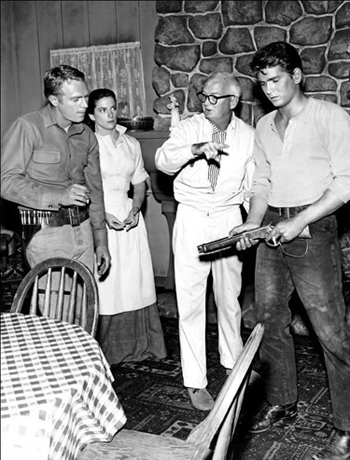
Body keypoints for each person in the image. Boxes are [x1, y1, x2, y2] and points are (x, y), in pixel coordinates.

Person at [229, 42, 350, 460]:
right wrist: (252, 222)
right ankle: (282, 402)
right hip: (271, 229)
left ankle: (347, 427)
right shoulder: (263, 126)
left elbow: (345, 183)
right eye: (262, 83)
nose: (269, 89)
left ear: (297, 76)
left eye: (276, 79)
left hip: (312, 226)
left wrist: (299, 221)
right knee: (268, 319)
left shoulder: (331, 117)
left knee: (329, 330)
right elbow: (260, 184)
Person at [155, 71, 256, 411]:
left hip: (228, 218)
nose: (207, 103)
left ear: (234, 101)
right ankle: (195, 382)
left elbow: (251, 186)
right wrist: (196, 149)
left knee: (229, 298)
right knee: (191, 302)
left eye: (215, 98)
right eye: (204, 96)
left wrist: (248, 228)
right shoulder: (188, 127)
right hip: (193, 216)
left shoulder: (248, 136)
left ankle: (234, 364)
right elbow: (163, 162)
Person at [1, 64, 110, 278]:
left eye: (86, 97)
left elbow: (96, 190)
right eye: (76, 99)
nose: (85, 105)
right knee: (54, 310)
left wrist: (101, 241)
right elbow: (5, 181)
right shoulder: (27, 127)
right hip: (46, 234)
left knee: (85, 309)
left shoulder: (86, 134)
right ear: (54, 100)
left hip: (85, 231)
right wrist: (59, 196)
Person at [85, 88, 167, 364]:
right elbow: (84, 187)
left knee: (135, 280)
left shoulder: (130, 143)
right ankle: (105, 350)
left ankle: (143, 345)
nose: (109, 115)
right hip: (99, 216)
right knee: (108, 284)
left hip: (129, 218)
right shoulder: (87, 143)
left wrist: (134, 209)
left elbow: (140, 183)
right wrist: (103, 214)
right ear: (90, 114)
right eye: (102, 110)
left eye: (112, 108)